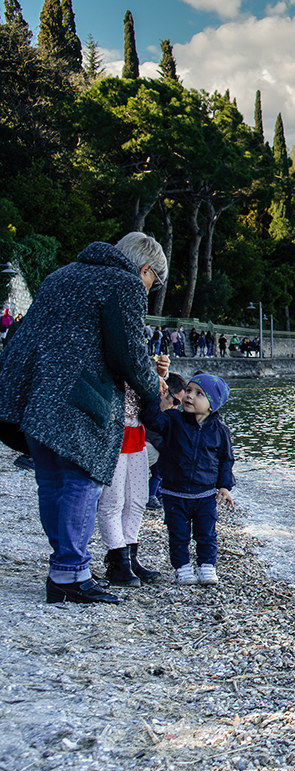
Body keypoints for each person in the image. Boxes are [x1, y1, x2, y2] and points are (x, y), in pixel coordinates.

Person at [0, 233, 168, 604]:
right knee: (81, 481)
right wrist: (152, 385)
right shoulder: (124, 283)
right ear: (145, 269)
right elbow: (127, 350)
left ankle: (63, 568)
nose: (150, 288)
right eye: (154, 282)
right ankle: (71, 575)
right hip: (80, 397)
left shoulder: (61, 274)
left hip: (34, 392)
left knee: (51, 481)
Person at [141, 373, 234, 586]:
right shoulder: (174, 421)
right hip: (174, 493)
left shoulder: (220, 431)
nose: (189, 396)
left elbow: (226, 461)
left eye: (199, 394)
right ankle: (182, 567)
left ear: (212, 404)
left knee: (206, 533)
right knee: (178, 534)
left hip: (205, 495)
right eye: (189, 391)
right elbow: (151, 418)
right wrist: (157, 393)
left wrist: (224, 487)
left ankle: (207, 565)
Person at [95, 382, 161, 586]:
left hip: (135, 431)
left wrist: (159, 376)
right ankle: (117, 559)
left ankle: (130, 556)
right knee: (112, 500)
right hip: (113, 431)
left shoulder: (137, 365)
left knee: (138, 498)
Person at [145, 372, 186, 511]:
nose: (175, 407)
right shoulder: (149, 407)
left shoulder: (165, 414)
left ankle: (156, 493)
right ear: (165, 391)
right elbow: (152, 432)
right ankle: (152, 494)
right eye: (175, 402)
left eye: (178, 404)